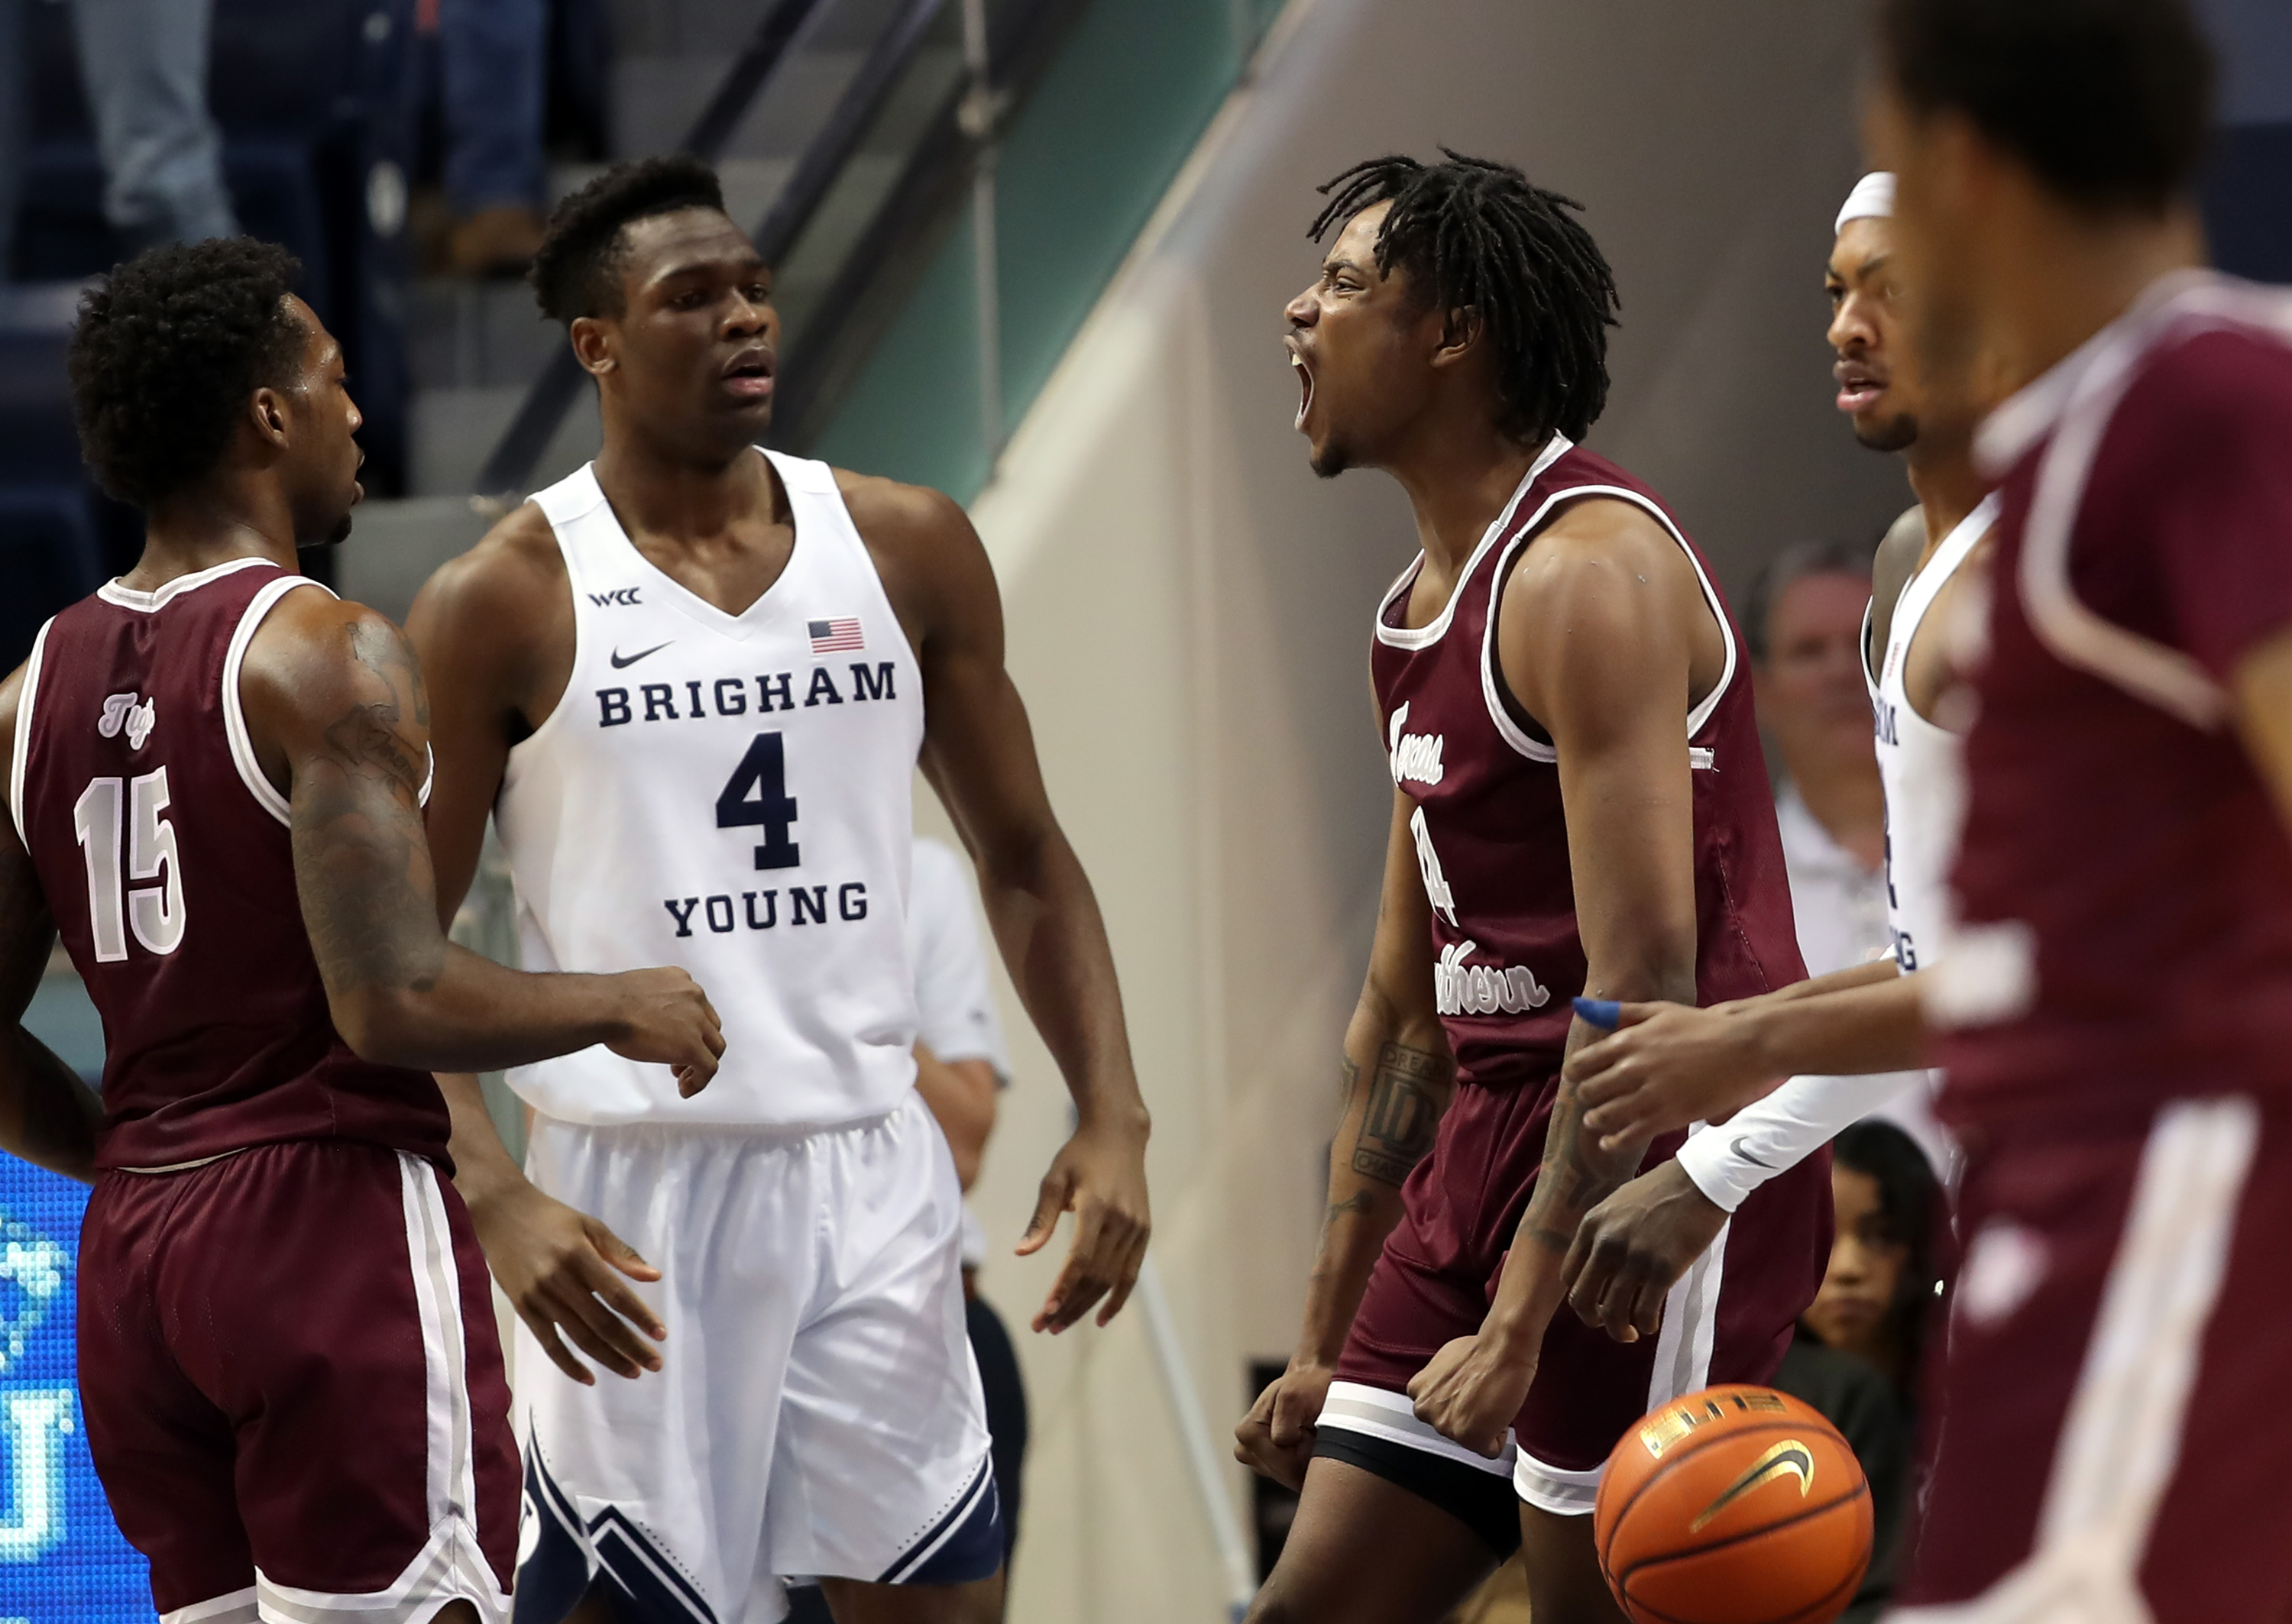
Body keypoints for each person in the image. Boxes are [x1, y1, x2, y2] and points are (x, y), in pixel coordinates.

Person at [403, 156, 1151, 1624]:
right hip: (631, 1197)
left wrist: (1112, 1110)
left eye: (754, 287)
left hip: (869, 1167)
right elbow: (393, 958)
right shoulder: (504, 595)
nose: (747, 317)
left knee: (942, 1607)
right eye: (695, 297)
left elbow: (1025, 856)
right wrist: (488, 1187)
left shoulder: (908, 544)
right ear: (597, 344)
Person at [0, 238, 720, 1624]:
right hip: (324, 1229)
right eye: (333, 382)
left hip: (140, 1264)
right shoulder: (325, 651)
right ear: (270, 416)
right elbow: (386, 997)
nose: (358, 412)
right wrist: (619, 998)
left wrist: (130, 1157)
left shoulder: (29, 691)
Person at [1229, 151, 1827, 1624]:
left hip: (1658, 1145)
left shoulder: (1587, 577)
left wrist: (1518, 1322)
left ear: (1456, 333)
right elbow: (1405, 1011)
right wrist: (1323, 1334)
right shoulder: (1418, 603)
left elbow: (1641, 990)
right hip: (1492, 1143)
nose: (1298, 310)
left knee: (1598, 1603)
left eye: (1348, 284)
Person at [1871, 0, 2292, 1616]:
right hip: (2067, 1204)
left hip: (2175, 1203)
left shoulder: (2204, 401)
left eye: (1889, 173)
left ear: (1960, 165)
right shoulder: (2081, 444)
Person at [1552, 170, 2000, 1332]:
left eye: (1892, 291)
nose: (1846, 326)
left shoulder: (2050, 578)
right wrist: (1721, 1156)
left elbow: (2025, 981)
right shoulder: (1911, 562)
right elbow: (1929, 965)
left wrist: (1736, 1049)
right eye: (1839, 291)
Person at [785, 836, 1031, 1624]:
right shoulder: (668, 860)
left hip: (925, 1330)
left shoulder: (920, 872)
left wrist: (838, 971)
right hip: (729, 1339)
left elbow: (962, 1143)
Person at [1770, 1120, 1937, 1624]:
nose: (1847, 1267)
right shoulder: (1757, 1397)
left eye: (1879, 1237)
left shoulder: (1977, 1390)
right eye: (1820, 1235)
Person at [1745, 538, 1890, 977]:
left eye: (1863, 644)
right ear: (1761, 691)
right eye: (1809, 651)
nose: (1842, 672)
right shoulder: (1730, 884)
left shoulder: (1995, 847)